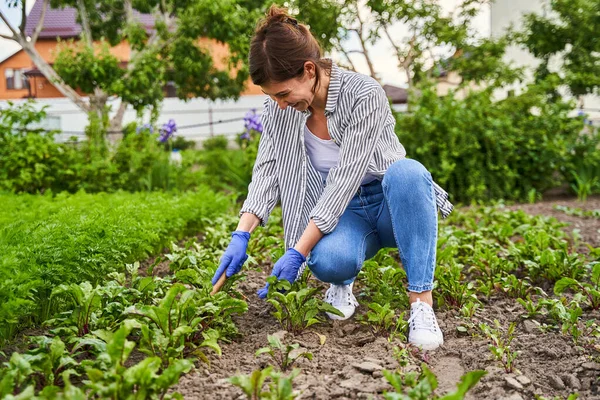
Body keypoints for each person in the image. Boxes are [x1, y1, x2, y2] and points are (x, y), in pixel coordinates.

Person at [211, 5, 453, 350]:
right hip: (346, 214)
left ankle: (421, 303)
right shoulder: (279, 111)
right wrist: (242, 232)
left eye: (282, 94)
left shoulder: (364, 94)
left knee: (408, 173)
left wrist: (297, 250)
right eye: (271, 97)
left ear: (309, 70)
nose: (279, 104)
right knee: (326, 261)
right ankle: (342, 283)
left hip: (391, 202)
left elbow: (345, 178)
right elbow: (267, 169)